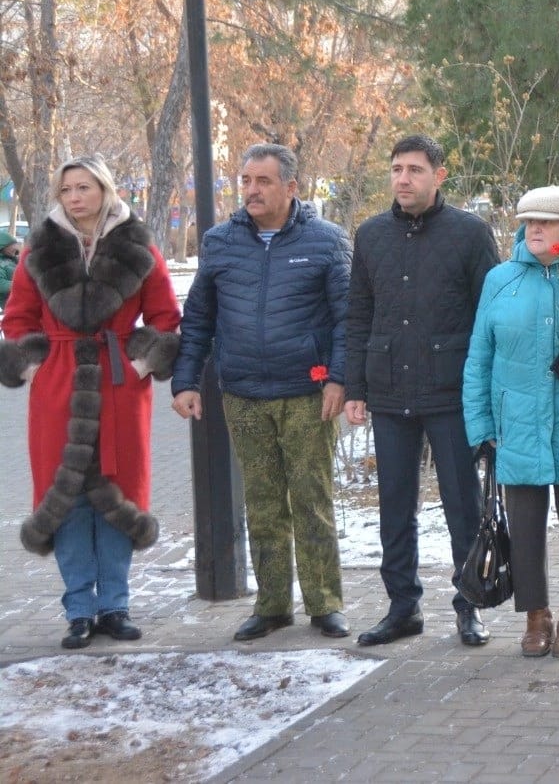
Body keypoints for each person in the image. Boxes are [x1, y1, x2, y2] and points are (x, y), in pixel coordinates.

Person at [172, 143, 352, 642]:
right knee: (263, 501)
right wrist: (186, 380)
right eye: (246, 180)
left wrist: (339, 378)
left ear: (291, 188)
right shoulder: (219, 243)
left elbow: (348, 319)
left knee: (312, 498)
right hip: (244, 394)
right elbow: (200, 318)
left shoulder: (326, 241)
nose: (251, 190)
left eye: (263, 181)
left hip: (307, 392)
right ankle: (272, 604)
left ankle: (325, 604)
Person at [0, 157, 180, 649]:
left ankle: (115, 606)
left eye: (84, 187)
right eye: (67, 189)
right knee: (68, 497)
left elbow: (165, 317)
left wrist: (142, 364)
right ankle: (79, 609)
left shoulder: (137, 245)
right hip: (57, 388)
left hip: (119, 384)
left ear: (104, 189)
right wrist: (36, 367)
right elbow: (16, 320)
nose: (75, 197)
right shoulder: (41, 248)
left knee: (117, 495)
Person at [343, 134, 501, 649]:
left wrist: (486, 393)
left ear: (439, 176)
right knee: (394, 503)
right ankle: (402, 607)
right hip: (389, 388)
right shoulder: (370, 236)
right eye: (396, 169)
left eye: (414, 169)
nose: (403, 179)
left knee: (462, 502)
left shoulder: (470, 234)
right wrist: (355, 387)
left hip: (450, 389)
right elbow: (359, 314)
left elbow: (488, 317)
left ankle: (469, 603)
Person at [463, 185, 559, 659]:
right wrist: (480, 427)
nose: (534, 229)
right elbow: (479, 358)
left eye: (546, 221)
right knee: (525, 527)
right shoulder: (501, 280)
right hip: (517, 427)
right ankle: (536, 615)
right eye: (529, 220)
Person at [0, 229, 20, 304]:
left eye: (15, 244)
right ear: (3, 247)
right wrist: (22, 283)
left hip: (19, 299)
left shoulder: (12, 259)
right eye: (11, 246)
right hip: (6, 304)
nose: (16, 248)